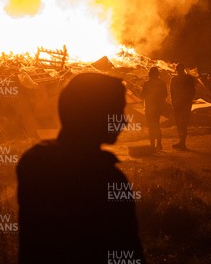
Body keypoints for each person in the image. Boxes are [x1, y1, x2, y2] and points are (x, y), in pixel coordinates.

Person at [17, 73, 145, 263]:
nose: (124, 121)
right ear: (93, 115)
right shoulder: (106, 178)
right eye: (117, 112)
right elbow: (126, 247)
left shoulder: (33, 162)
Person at [169, 63, 196, 150]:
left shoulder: (176, 79)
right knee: (181, 123)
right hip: (182, 104)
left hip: (180, 104)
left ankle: (182, 142)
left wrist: (174, 102)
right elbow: (192, 92)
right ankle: (182, 142)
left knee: (181, 123)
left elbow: (172, 92)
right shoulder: (187, 79)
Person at [141, 67, 167, 150]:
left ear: (150, 74)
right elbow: (165, 94)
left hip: (149, 107)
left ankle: (152, 145)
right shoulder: (162, 83)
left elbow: (142, 95)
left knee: (151, 126)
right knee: (156, 125)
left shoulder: (147, 83)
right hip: (158, 107)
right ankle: (159, 144)